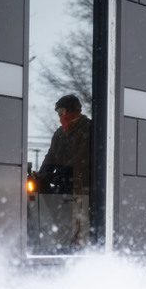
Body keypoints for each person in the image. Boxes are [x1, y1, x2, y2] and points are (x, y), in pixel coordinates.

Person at [35, 94, 92, 250]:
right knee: (61, 220)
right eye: (59, 112)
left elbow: (82, 157)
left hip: (80, 187)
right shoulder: (59, 133)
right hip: (62, 186)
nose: (59, 115)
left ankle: (74, 249)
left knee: (77, 225)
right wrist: (41, 176)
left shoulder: (88, 128)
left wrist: (63, 174)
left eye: (61, 111)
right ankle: (62, 245)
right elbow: (51, 155)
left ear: (70, 110)